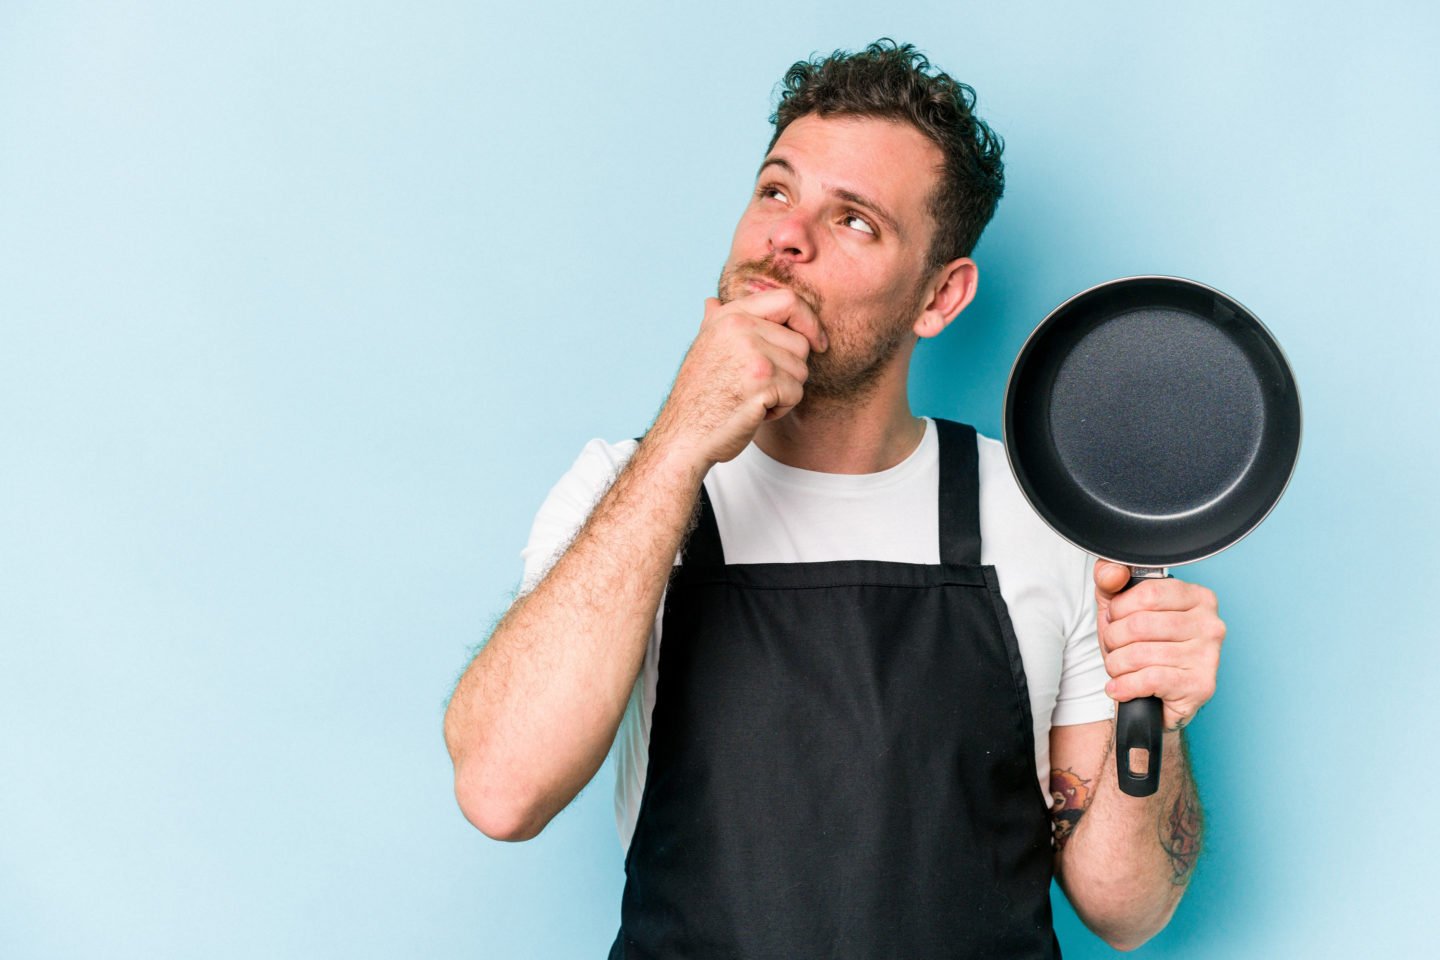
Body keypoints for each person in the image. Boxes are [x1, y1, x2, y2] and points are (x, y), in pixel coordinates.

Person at [443, 39, 1225, 958]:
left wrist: (1158, 721)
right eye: (777, 191)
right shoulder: (627, 490)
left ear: (939, 296)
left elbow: (1124, 911)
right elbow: (501, 792)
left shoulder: (1043, 515)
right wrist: (684, 438)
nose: (787, 237)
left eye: (854, 220)